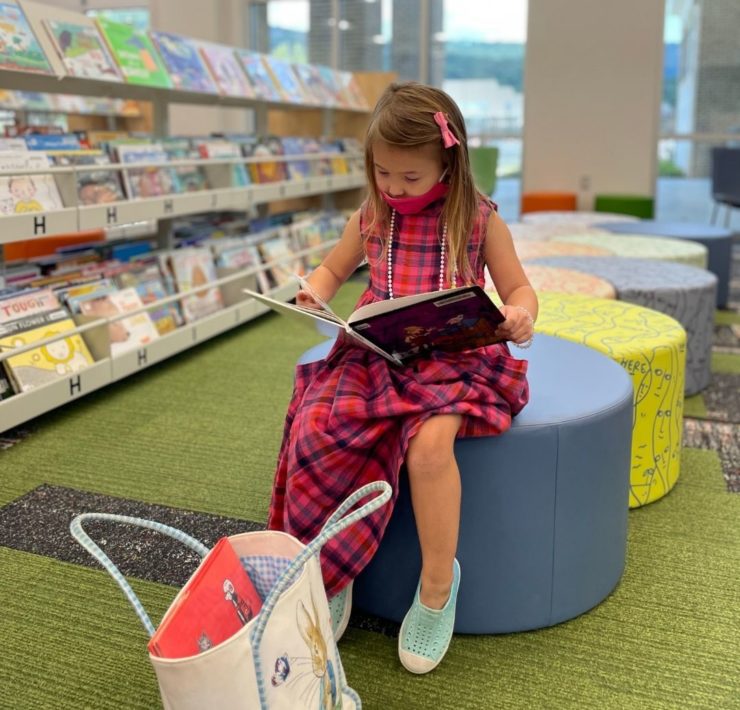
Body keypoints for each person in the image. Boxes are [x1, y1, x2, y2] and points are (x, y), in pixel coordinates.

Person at [267, 81, 537, 674]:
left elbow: (517, 288)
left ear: (449, 161)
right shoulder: (372, 213)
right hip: (376, 351)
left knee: (431, 449)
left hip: (454, 356)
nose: (394, 187)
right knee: (317, 424)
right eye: (383, 172)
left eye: (411, 178)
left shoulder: (481, 220)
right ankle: (331, 568)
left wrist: (519, 315)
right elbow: (334, 267)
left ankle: (438, 585)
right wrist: (315, 289)